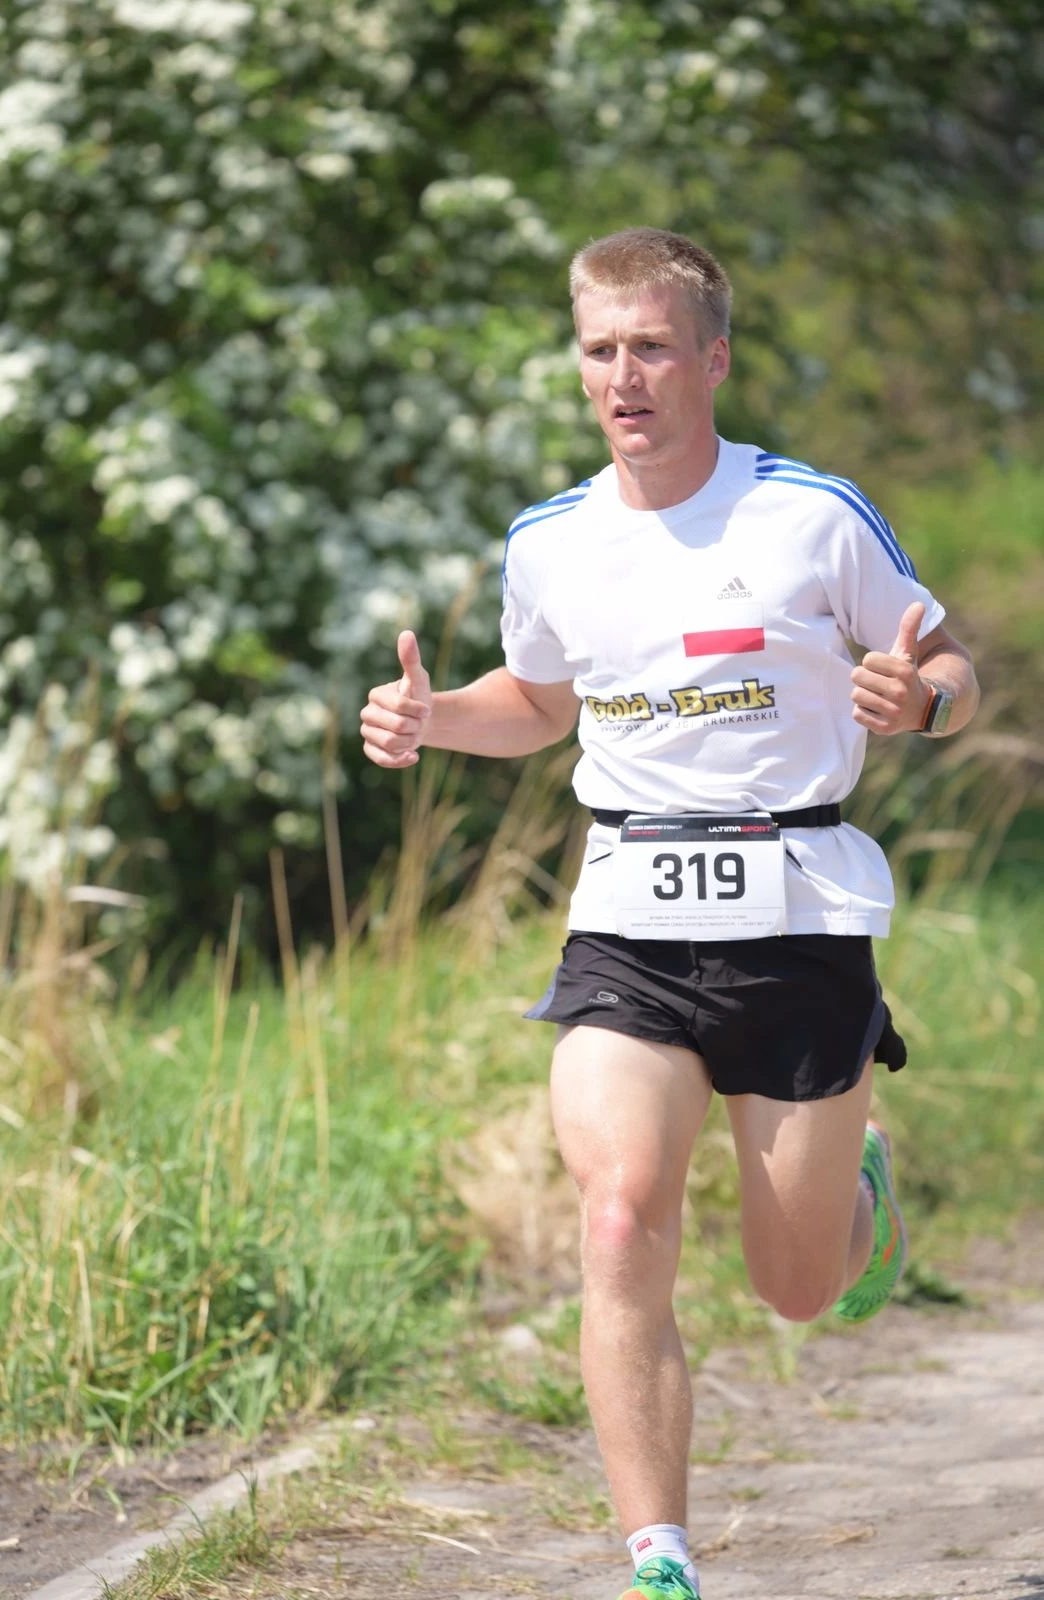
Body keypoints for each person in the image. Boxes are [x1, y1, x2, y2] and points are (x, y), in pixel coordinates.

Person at [359, 227, 979, 1600]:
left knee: (796, 1287)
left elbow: (946, 662)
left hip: (799, 918)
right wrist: (431, 717)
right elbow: (537, 704)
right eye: (599, 349)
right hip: (629, 919)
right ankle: (660, 1560)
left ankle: (858, 1200)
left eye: (650, 347)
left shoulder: (811, 516)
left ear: (714, 359)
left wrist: (922, 701)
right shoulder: (551, 541)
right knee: (619, 1214)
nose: (623, 376)